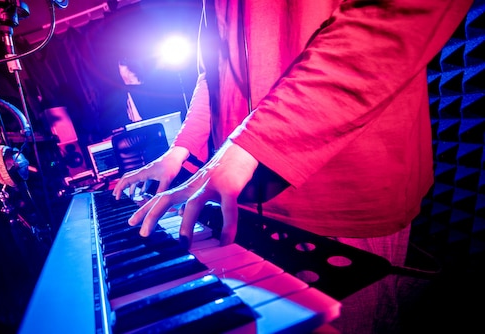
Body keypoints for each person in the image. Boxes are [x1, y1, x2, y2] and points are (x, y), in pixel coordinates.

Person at [112, 0, 473, 332]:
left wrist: (250, 143)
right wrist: (179, 150)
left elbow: (395, 16)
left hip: (340, 200)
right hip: (252, 201)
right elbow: (215, 73)